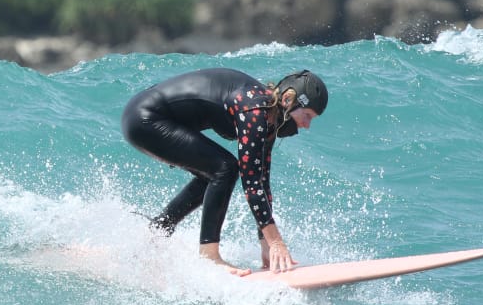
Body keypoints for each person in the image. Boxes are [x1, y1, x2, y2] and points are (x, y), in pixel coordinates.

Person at [121, 67, 328, 274]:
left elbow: (262, 180)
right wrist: (276, 243)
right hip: (146, 118)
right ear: (288, 100)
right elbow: (251, 185)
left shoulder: (267, 116)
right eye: (307, 115)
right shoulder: (255, 110)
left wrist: (265, 242)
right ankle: (210, 257)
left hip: (145, 117)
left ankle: (157, 232)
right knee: (224, 168)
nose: (307, 125)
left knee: (213, 173)